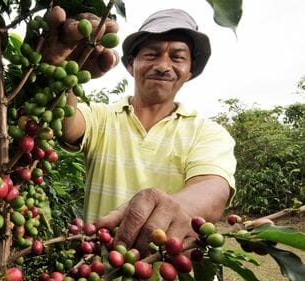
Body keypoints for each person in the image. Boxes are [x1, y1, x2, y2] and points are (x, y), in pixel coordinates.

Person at [42, 7, 237, 256]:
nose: (163, 66)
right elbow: (67, 123)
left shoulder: (208, 133)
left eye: (177, 57)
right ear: (131, 65)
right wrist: (61, 67)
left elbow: (214, 189)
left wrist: (172, 207)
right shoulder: (103, 118)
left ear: (189, 72)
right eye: (152, 54)